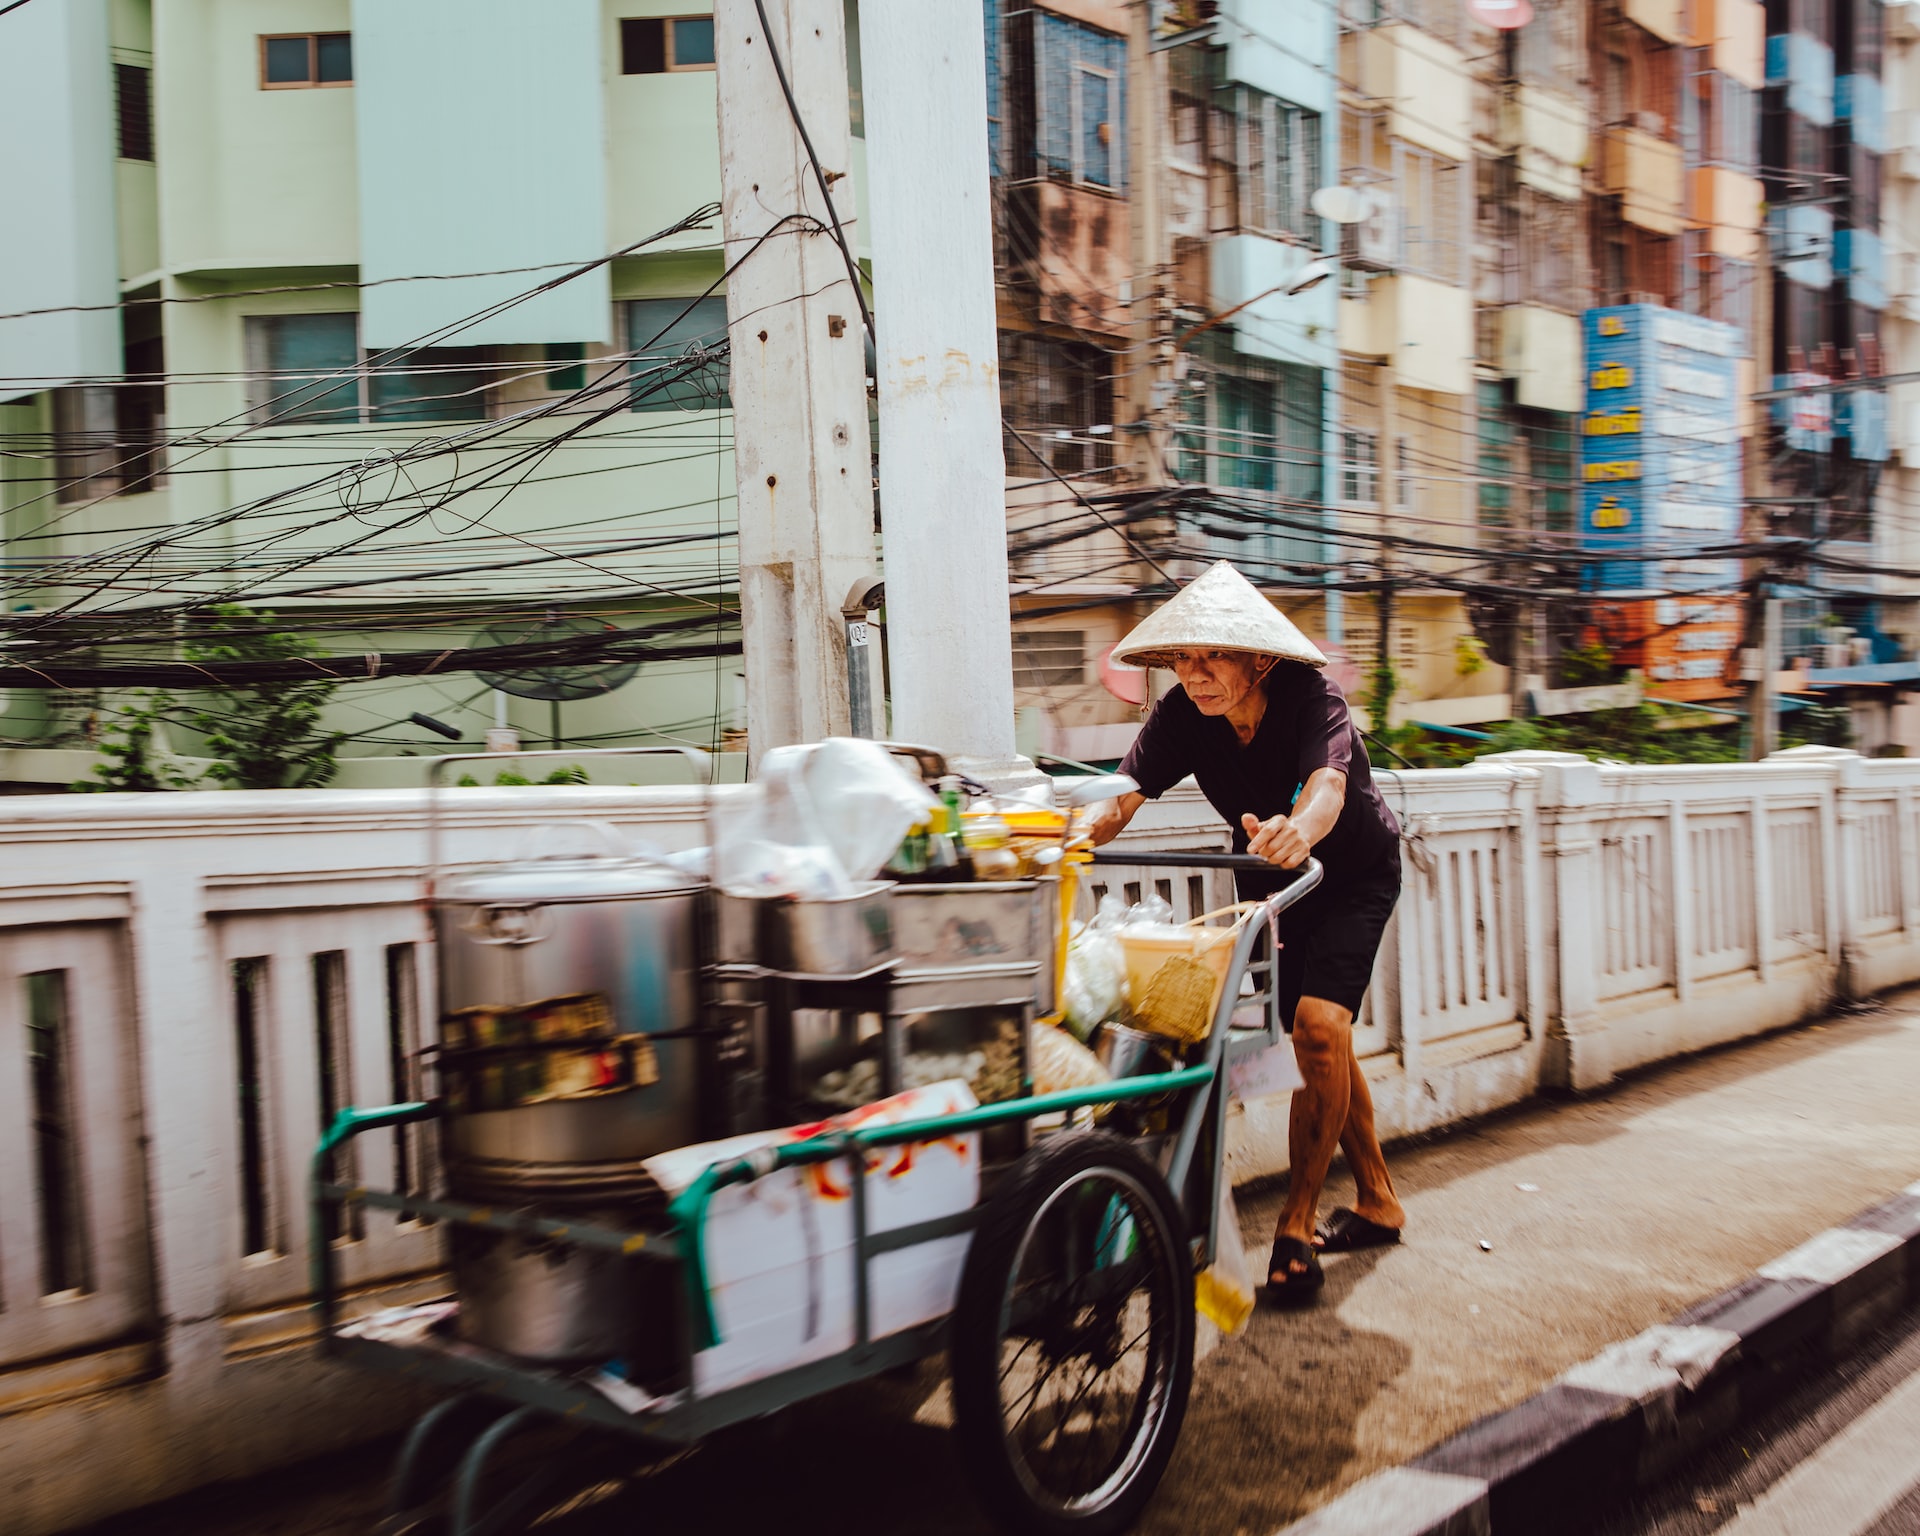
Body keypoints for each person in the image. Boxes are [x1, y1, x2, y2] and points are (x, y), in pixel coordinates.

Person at [1089, 561, 1406, 1306]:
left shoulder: (1310, 698)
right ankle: (1378, 1200)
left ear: (1258, 658)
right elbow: (1122, 798)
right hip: (1273, 885)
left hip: (1351, 872)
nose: (1193, 676)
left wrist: (1299, 830)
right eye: (1181, 660)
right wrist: (1060, 837)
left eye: (1211, 658)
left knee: (1320, 1025)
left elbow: (1328, 786)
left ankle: (1294, 1228)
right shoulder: (1180, 719)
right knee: (1315, 1037)